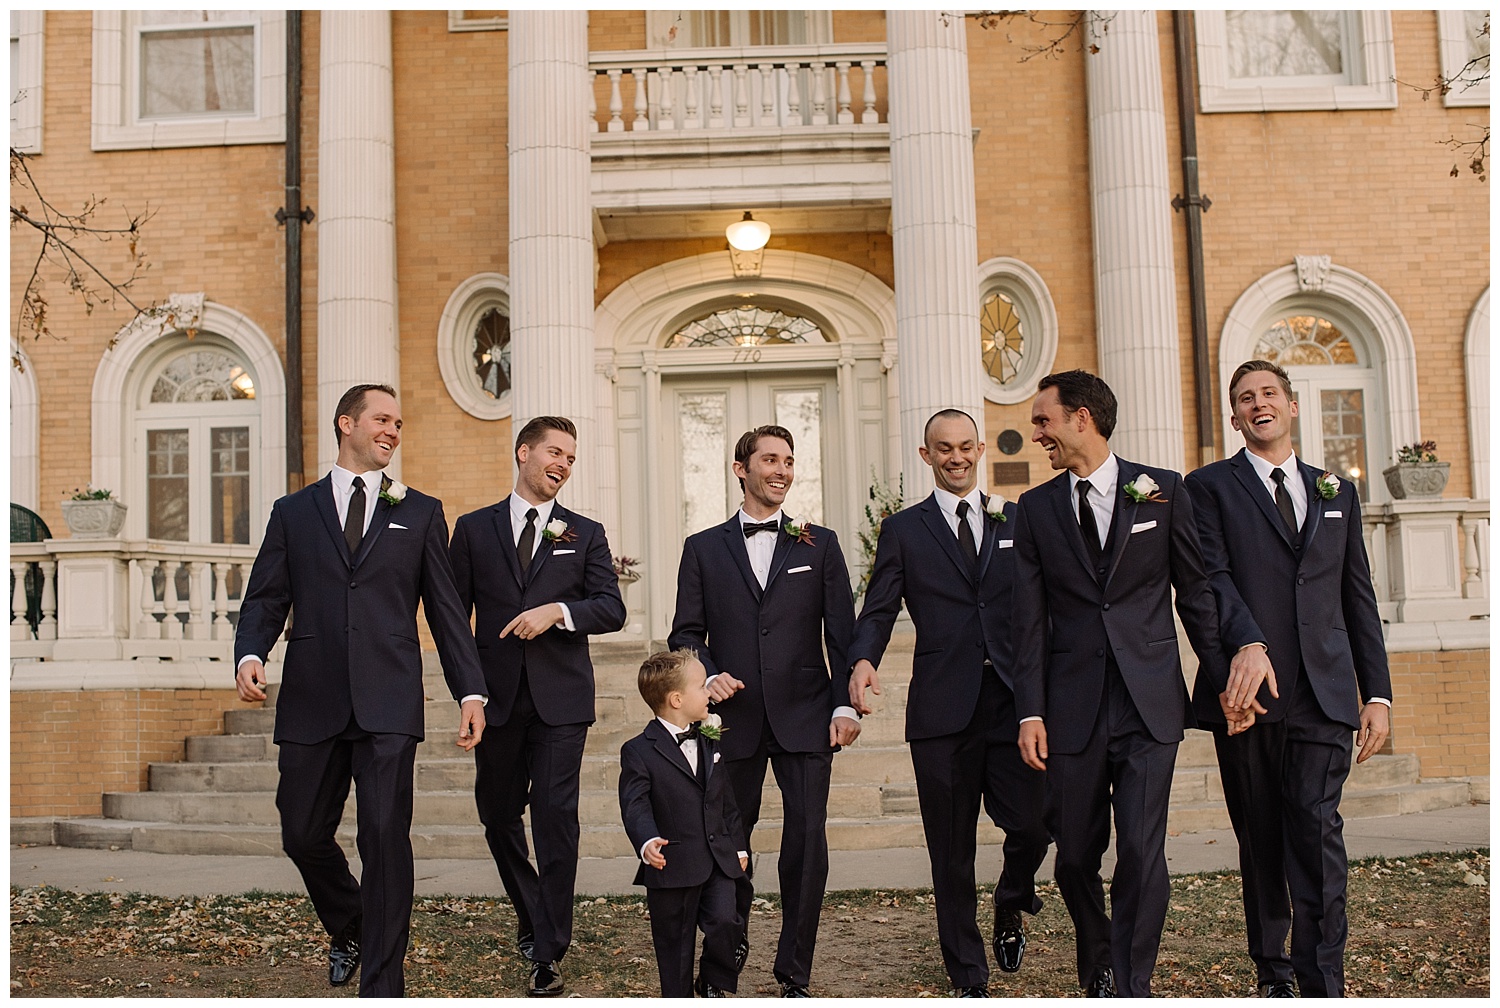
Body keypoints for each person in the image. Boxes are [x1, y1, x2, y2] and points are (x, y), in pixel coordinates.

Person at [234, 383, 487, 997]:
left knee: (382, 837)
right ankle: (351, 923)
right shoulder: (292, 512)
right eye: (382, 419)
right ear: (346, 423)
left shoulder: (422, 511)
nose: (393, 431)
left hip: (389, 702)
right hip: (313, 696)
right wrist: (250, 652)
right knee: (301, 832)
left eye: (399, 423)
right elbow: (268, 594)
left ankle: (383, 980)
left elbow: (446, 611)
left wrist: (471, 691)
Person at [1011, 370, 1226, 997]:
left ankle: (1129, 984)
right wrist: (1030, 711)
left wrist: (1221, 680)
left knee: (1140, 848)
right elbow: (1029, 620)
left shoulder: (1163, 492)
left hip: (1149, 701)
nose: (1036, 433)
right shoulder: (1036, 509)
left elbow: (1197, 595)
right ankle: (1099, 949)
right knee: (1075, 856)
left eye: (1044, 420)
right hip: (1070, 706)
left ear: (1082, 417)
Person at [1184, 359, 1392, 998]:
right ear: (1235, 415)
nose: (1258, 404)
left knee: (1317, 826)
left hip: (1326, 694)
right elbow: (1211, 581)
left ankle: (1321, 976)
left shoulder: (1337, 489)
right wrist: (1237, 658)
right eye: (1244, 398)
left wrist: (1376, 692)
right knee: (1262, 836)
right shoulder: (1209, 487)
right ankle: (1273, 971)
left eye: (1268, 393)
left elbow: (1357, 594)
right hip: (1249, 696)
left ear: (1292, 406)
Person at [849, 409, 1051, 997]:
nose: (956, 457)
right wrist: (863, 659)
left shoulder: (1018, 519)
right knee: (951, 852)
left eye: (966, 446)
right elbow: (880, 607)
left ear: (981, 448)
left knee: (1037, 826)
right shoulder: (904, 530)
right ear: (926, 455)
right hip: (943, 710)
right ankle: (969, 976)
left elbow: (1043, 606)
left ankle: (1013, 898)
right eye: (944, 449)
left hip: (1016, 703)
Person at [668, 424, 859, 998]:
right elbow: (685, 633)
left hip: (806, 716)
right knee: (728, 841)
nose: (780, 470)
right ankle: (723, 964)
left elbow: (842, 636)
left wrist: (845, 703)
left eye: (788, 461)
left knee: (807, 845)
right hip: (732, 720)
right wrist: (707, 673)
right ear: (740, 469)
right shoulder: (702, 547)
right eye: (769, 460)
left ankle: (794, 971)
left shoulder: (818, 544)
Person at [449, 415, 627, 997]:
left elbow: (611, 608)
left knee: (555, 820)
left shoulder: (585, 531)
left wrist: (558, 611)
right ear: (524, 452)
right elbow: (454, 619)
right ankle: (532, 911)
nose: (563, 465)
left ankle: (548, 949)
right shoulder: (473, 530)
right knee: (497, 816)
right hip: (495, 700)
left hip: (561, 701)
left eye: (572, 459)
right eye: (555, 452)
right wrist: (469, 693)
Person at [619, 649, 750, 998]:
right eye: (700, 686)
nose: (708, 692)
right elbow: (635, 805)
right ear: (677, 699)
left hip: (718, 859)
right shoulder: (639, 750)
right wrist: (647, 842)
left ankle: (712, 980)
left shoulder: (708, 738)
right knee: (674, 947)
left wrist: (738, 845)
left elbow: (725, 801)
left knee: (727, 921)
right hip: (672, 864)